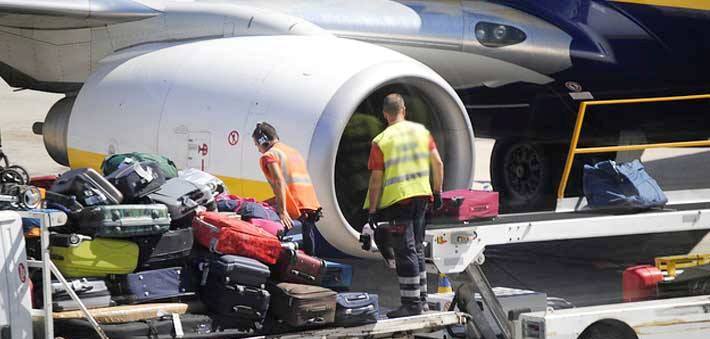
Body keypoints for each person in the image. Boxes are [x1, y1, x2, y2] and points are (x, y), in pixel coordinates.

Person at [364, 93, 444, 318]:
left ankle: (410, 304)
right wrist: (437, 191)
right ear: (404, 110)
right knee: (417, 248)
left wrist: (372, 209)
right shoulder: (422, 132)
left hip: (399, 201)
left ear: (385, 114)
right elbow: (438, 163)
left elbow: (376, 179)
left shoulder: (381, 140)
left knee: (405, 251)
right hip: (422, 197)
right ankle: (421, 301)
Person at [252, 122, 322, 256]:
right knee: (307, 254)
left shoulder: (270, 156)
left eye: (256, 145)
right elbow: (292, 185)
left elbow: (279, 182)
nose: (258, 149)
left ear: (262, 141)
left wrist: (283, 211)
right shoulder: (292, 151)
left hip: (296, 209)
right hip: (310, 206)